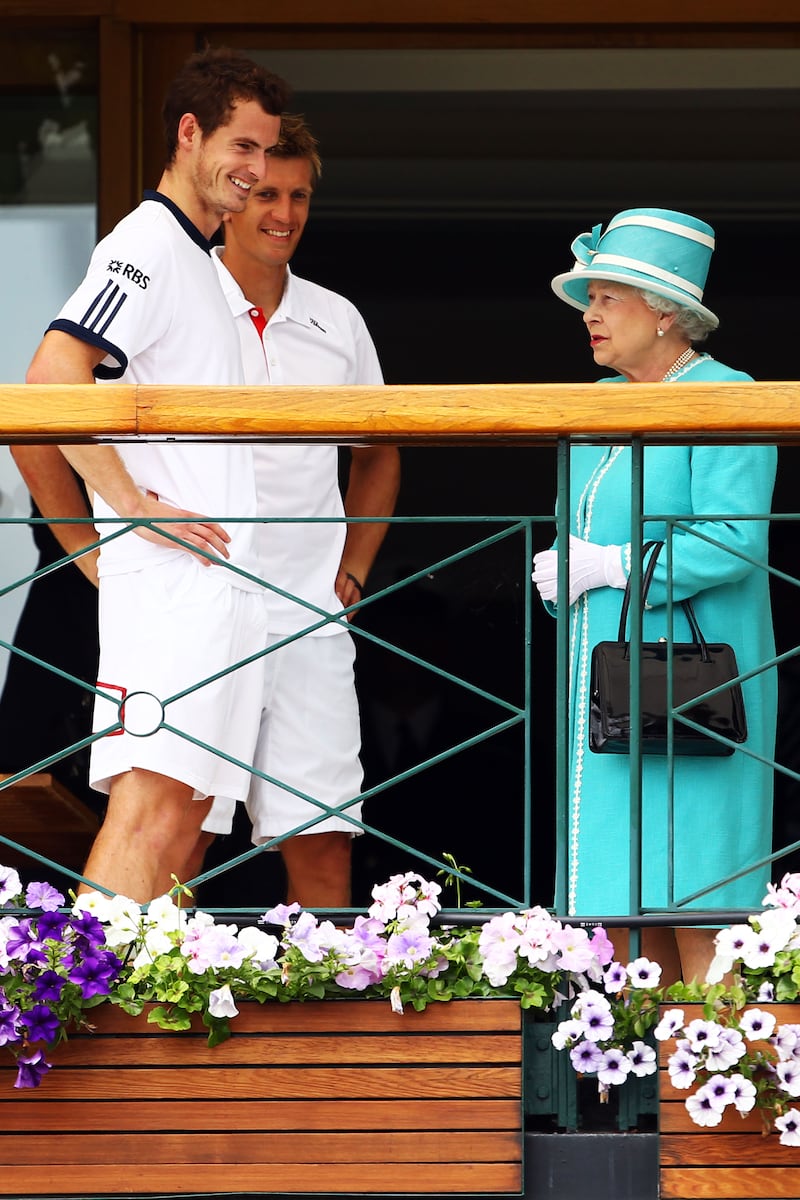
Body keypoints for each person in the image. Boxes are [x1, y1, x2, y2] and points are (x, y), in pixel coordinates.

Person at [14, 47, 290, 903]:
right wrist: (115, 520)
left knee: (191, 816)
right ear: (188, 133)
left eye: (267, 152)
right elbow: (49, 383)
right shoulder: (146, 242)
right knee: (149, 805)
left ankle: (136, 1013)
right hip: (172, 584)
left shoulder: (204, 264)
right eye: (240, 147)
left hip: (220, 582)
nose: (253, 171)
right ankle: (80, 1021)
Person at [532, 208, 776, 983]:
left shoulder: (729, 395)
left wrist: (613, 565)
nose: (590, 316)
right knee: (620, 934)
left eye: (608, 297)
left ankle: (722, 1096)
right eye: (590, 299)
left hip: (691, 696)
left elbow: (734, 541)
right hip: (603, 699)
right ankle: (631, 1103)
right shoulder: (596, 404)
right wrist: (562, 574)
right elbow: (580, 546)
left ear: (666, 312)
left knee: (697, 912)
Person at [181, 114, 400, 907]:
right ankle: (145, 1010)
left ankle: (332, 1021)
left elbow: (380, 451)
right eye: (268, 191)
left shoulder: (336, 317)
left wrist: (354, 570)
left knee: (321, 826)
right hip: (199, 602)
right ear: (233, 191)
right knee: (181, 820)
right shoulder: (181, 293)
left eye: (300, 195)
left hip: (310, 609)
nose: (284, 212)